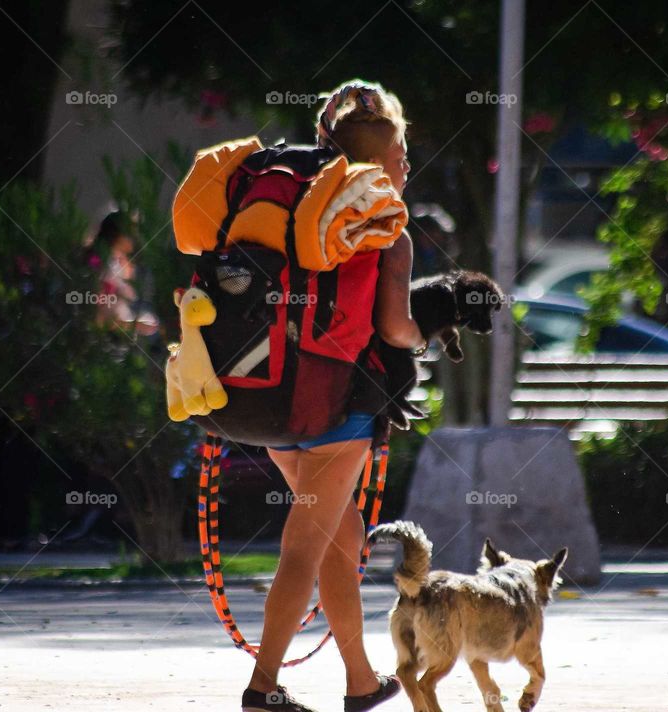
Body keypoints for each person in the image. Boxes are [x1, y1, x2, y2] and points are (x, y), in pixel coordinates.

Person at [241, 81, 422, 712]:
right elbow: (396, 328)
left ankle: (360, 682)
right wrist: (424, 339)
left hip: (272, 400)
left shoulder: (288, 214)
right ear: (378, 163)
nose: (406, 167)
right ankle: (263, 688)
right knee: (304, 548)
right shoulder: (386, 231)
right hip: (339, 407)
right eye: (401, 157)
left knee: (338, 546)